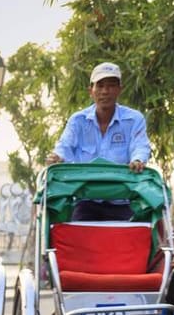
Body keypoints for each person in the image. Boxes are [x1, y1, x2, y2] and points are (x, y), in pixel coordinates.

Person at [49, 62, 152, 221]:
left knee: (136, 235)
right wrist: (57, 157)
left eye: (111, 86)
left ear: (119, 89)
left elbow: (140, 146)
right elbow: (64, 146)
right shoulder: (78, 121)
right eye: (100, 86)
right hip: (86, 202)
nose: (105, 91)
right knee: (74, 236)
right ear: (91, 90)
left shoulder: (134, 119)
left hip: (122, 202)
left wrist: (138, 160)